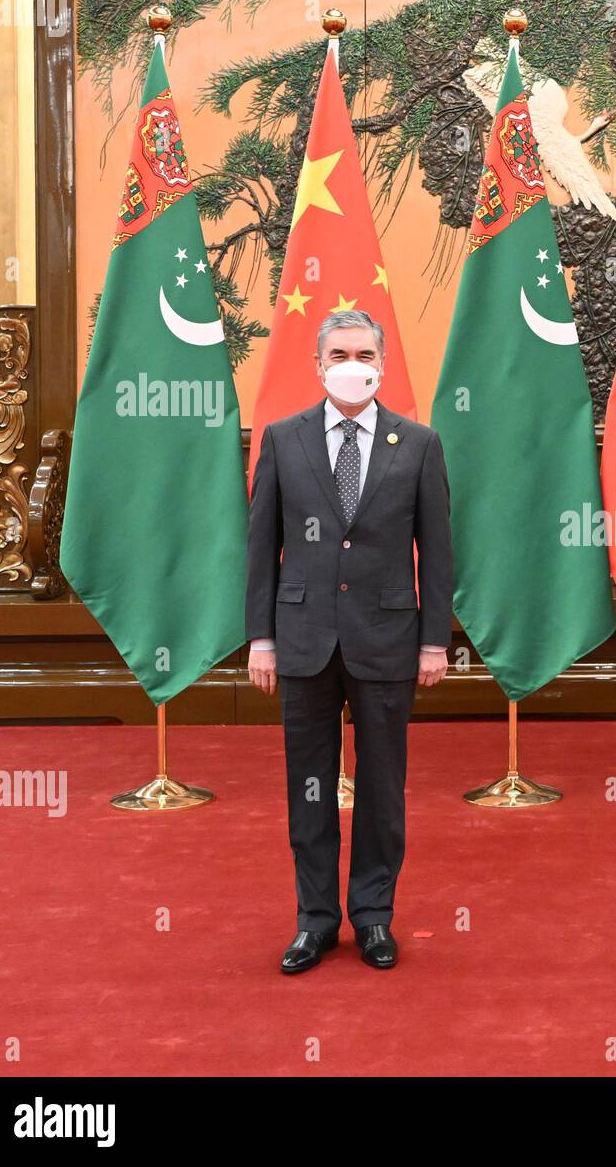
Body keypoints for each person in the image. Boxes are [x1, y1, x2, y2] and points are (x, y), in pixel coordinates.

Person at [246, 309, 453, 974]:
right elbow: (260, 550)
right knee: (308, 786)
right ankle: (314, 920)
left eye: (364, 352)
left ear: (383, 363)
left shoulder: (418, 444)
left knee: (382, 786)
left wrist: (433, 641)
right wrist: (260, 638)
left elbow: (439, 552)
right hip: (302, 639)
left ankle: (372, 917)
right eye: (338, 352)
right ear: (319, 363)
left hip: (389, 639)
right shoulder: (282, 439)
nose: (352, 363)